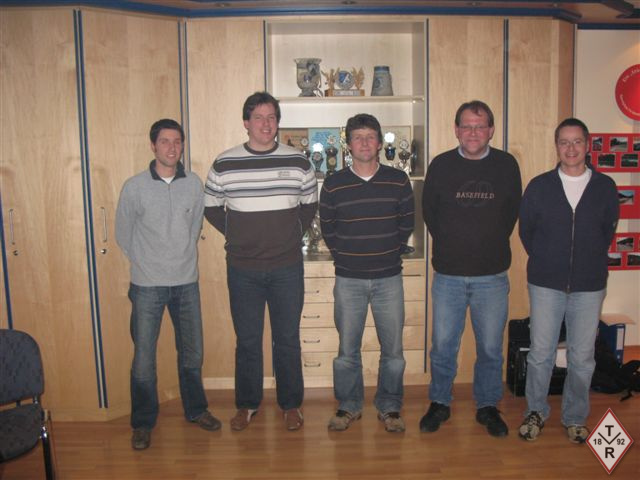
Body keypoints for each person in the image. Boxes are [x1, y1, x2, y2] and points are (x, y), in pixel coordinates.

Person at [204, 92, 318, 431]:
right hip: (243, 269)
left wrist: (292, 232)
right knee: (248, 341)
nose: (265, 124)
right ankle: (247, 404)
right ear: (246, 122)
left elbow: (309, 203)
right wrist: (238, 233)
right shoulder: (224, 163)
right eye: (258, 117)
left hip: (286, 267)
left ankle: (291, 405)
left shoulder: (298, 162)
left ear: (277, 122)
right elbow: (211, 206)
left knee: (287, 339)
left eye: (271, 117)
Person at [116, 118, 221, 451]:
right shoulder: (134, 187)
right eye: (164, 141)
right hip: (147, 285)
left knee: (192, 353)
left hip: (186, 282)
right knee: (144, 358)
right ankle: (143, 422)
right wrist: (148, 263)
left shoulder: (193, 184)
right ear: (153, 146)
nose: (172, 147)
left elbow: (194, 227)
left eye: (177, 141)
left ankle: (196, 410)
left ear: (182, 146)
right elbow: (123, 233)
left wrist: (180, 257)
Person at [420, 100, 522, 437]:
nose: (473, 132)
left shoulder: (506, 165)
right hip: (448, 274)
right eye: (466, 126)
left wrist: (485, 241)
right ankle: (440, 402)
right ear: (456, 130)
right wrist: (454, 242)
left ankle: (487, 406)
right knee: (443, 346)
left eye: (480, 126)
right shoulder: (441, 165)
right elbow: (429, 212)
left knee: (490, 348)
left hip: (491, 275)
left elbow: (511, 212)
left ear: (491, 130)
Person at [518, 118, 619, 444]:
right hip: (546, 283)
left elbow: (607, 231)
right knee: (541, 353)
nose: (571, 148)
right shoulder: (539, 186)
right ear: (557, 146)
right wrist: (549, 260)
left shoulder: (605, 187)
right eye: (564, 142)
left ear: (587, 145)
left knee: (582, 357)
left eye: (577, 141)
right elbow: (526, 231)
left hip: (589, 286)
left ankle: (575, 417)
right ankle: (535, 411)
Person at [319, 113, 415, 433]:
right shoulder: (333, 184)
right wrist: (348, 256)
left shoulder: (398, 180)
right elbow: (328, 229)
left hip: (389, 278)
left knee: (394, 351)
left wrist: (389, 251)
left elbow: (406, 223)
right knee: (347, 351)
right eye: (357, 137)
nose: (364, 143)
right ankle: (349, 405)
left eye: (370, 136)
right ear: (348, 143)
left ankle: (389, 406)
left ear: (379, 142)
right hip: (349, 279)